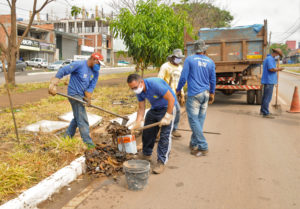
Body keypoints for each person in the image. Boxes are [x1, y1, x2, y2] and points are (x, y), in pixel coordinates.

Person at [48, 52, 104, 148]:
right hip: (74, 94)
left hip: (82, 96)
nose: (99, 66)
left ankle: (67, 136)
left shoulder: (95, 72)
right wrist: (54, 83)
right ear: (93, 59)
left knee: (77, 117)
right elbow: (64, 70)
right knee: (82, 119)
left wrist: (88, 97)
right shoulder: (79, 65)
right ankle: (89, 144)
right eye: (98, 63)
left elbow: (92, 85)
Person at [128, 74, 177, 174]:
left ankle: (161, 161)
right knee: (147, 131)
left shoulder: (155, 84)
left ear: (141, 82)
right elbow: (141, 108)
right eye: (132, 88)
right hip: (155, 108)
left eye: (135, 87)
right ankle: (146, 154)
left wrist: (167, 116)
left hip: (168, 107)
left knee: (164, 136)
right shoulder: (140, 91)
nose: (135, 90)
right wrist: (138, 122)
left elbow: (171, 99)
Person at [176, 39, 216, 157]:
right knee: (199, 120)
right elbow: (213, 79)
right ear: (204, 49)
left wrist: (178, 89)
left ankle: (203, 146)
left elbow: (183, 77)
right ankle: (193, 143)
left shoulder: (190, 59)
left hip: (194, 94)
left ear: (195, 49)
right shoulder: (210, 61)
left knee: (193, 121)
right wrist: (212, 93)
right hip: (205, 94)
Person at [158, 48, 185, 138]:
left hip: (176, 93)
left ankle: (172, 129)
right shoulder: (165, 66)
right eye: (177, 57)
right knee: (174, 110)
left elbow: (180, 82)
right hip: (167, 93)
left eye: (180, 58)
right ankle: (167, 130)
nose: (179, 59)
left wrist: (182, 94)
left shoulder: (180, 68)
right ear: (173, 57)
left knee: (176, 111)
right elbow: (159, 79)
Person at [260, 48, 284, 119]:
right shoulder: (270, 59)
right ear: (276, 53)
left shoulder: (269, 58)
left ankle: (263, 111)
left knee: (265, 97)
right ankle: (265, 113)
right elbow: (271, 69)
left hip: (268, 80)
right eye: (278, 55)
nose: (278, 57)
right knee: (267, 98)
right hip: (269, 80)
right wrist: (279, 69)